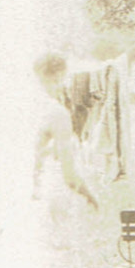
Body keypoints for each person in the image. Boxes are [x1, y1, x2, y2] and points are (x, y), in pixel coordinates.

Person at [33, 53, 98, 210]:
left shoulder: (15, 105)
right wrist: (90, 197)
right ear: (59, 75)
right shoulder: (57, 113)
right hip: (41, 198)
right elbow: (69, 176)